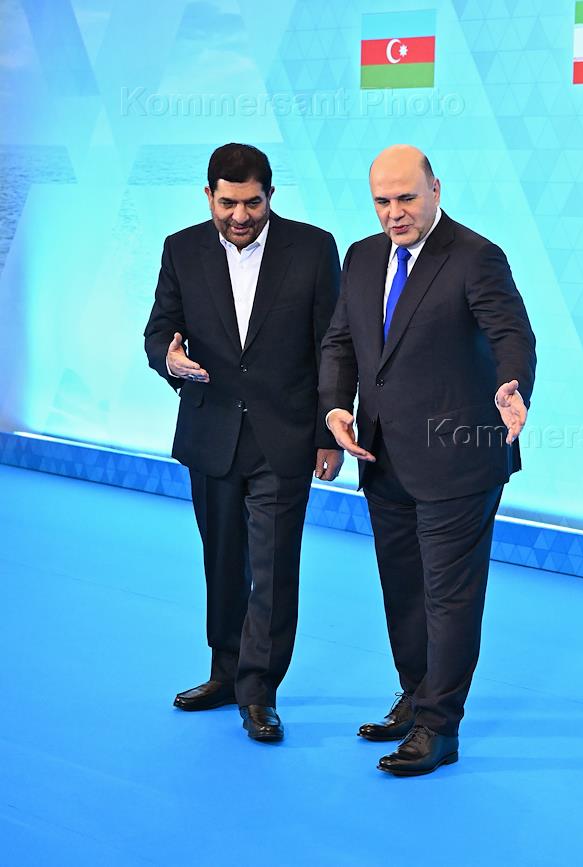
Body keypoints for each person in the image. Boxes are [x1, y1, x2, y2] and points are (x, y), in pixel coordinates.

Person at [320, 144, 536, 776]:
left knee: (448, 597)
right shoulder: (361, 256)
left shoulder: (475, 256)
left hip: (459, 459)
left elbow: (512, 334)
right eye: (382, 201)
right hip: (381, 454)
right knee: (404, 591)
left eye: (407, 198)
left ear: (436, 190)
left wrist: (513, 385)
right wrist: (334, 408)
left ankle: (439, 728)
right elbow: (341, 342)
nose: (395, 212)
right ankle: (415, 695)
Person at [144, 143, 343, 743]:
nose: (239, 216)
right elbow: (159, 330)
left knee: (273, 569)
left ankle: (259, 692)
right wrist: (170, 359)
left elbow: (331, 348)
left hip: (285, 438)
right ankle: (225, 672)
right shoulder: (180, 249)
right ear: (208, 196)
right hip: (211, 434)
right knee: (223, 563)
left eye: (252, 203)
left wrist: (327, 433)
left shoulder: (314, 248)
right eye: (227, 203)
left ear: (270, 196)